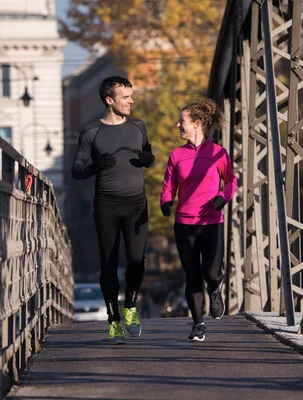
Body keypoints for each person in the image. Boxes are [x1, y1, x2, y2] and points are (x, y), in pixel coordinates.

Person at [71, 76, 154, 344]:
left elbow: (148, 154)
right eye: (125, 97)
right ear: (109, 100)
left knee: (136, 260)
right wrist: (96, 166)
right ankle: (114, 322)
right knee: (108, 264)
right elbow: (76, 170)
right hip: (106, 204)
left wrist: (148, 159)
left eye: (131, 96)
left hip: (136, 203)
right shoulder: (91, 131)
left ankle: (130, 305)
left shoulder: (139, 126)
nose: (131, 101)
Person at [160, 99, 237, 341]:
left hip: (212, 221)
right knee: (192, 275)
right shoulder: (176, 155)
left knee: (211, 273)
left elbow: (231, 181)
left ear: (197, 124)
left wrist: (223, 198)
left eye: (181, 122)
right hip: (184, 224)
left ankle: (215, 287)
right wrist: (165, 201)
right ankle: (198, 325)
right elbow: (168, 185)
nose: (177, 125)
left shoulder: (218, 153)